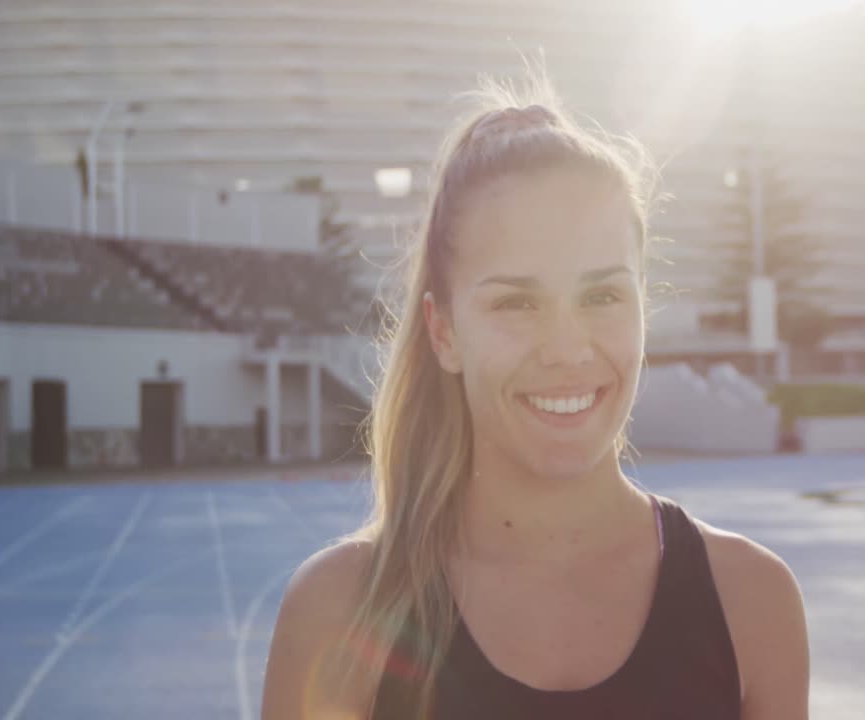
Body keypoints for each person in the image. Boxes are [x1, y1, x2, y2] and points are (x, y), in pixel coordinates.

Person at [260, 72, 810, 719]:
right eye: (517, 302)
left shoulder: (752, 602)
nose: (567, 349)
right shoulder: (339, 615)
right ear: (444, 333)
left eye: (601, 295)